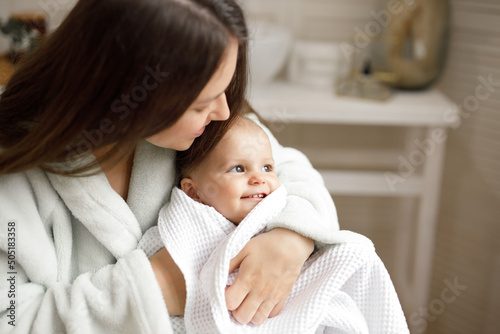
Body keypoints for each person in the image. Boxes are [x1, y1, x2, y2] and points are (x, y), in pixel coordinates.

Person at [0, 0, 339, 332]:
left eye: (222, 91)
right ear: (127, 89)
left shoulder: (207, 129)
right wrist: (161, 286)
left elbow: (295, 175)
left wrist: (289, 238)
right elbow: (12, 318)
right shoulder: (15, 178)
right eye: (200, 104)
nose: (223, 112)